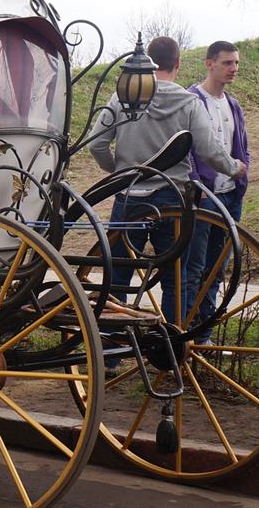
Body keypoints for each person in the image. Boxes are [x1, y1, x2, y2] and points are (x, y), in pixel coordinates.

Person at [90, 36, 246, 322]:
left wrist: (119, 171)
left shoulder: (123, 96)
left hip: (129, 197)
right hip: (172, 198)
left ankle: (111, 352)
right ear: (177, 63)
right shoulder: (188, 102)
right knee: (175, 277)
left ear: (147, 62)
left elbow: (95, 145)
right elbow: (209, 151)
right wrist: (234, 168)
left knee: (119, 275)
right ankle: (173, 346)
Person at [184, 40, 251, 333]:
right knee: (193, 269)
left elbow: (243, 148)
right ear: (209, 63)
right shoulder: (190, 100)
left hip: (229, 196)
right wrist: (196, 184)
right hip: (202, 197)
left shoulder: (233, 105)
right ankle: (183, 331)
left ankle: (205, 332)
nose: (233, 68)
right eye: (227, 63)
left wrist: (241, 175)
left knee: (216, 270)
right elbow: (184, 149)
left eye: (236, 63)